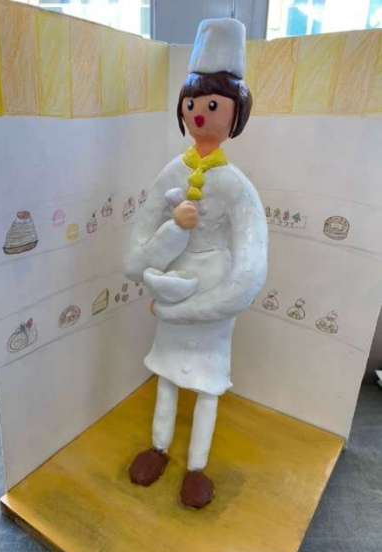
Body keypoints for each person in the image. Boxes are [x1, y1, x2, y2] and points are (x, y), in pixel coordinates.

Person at [124, 18, 268, 508]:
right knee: (166, 374)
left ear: (236, 114)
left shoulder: (239, 188)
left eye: (212, 105)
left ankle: (197, 465)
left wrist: (192, 307)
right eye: (192, 104)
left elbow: (250, 270)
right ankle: (159, 446)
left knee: (207, 385)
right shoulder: (171, 172)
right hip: (173, 283)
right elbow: (134, 256)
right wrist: (174, 232)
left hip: (210, 296)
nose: (200, 115)